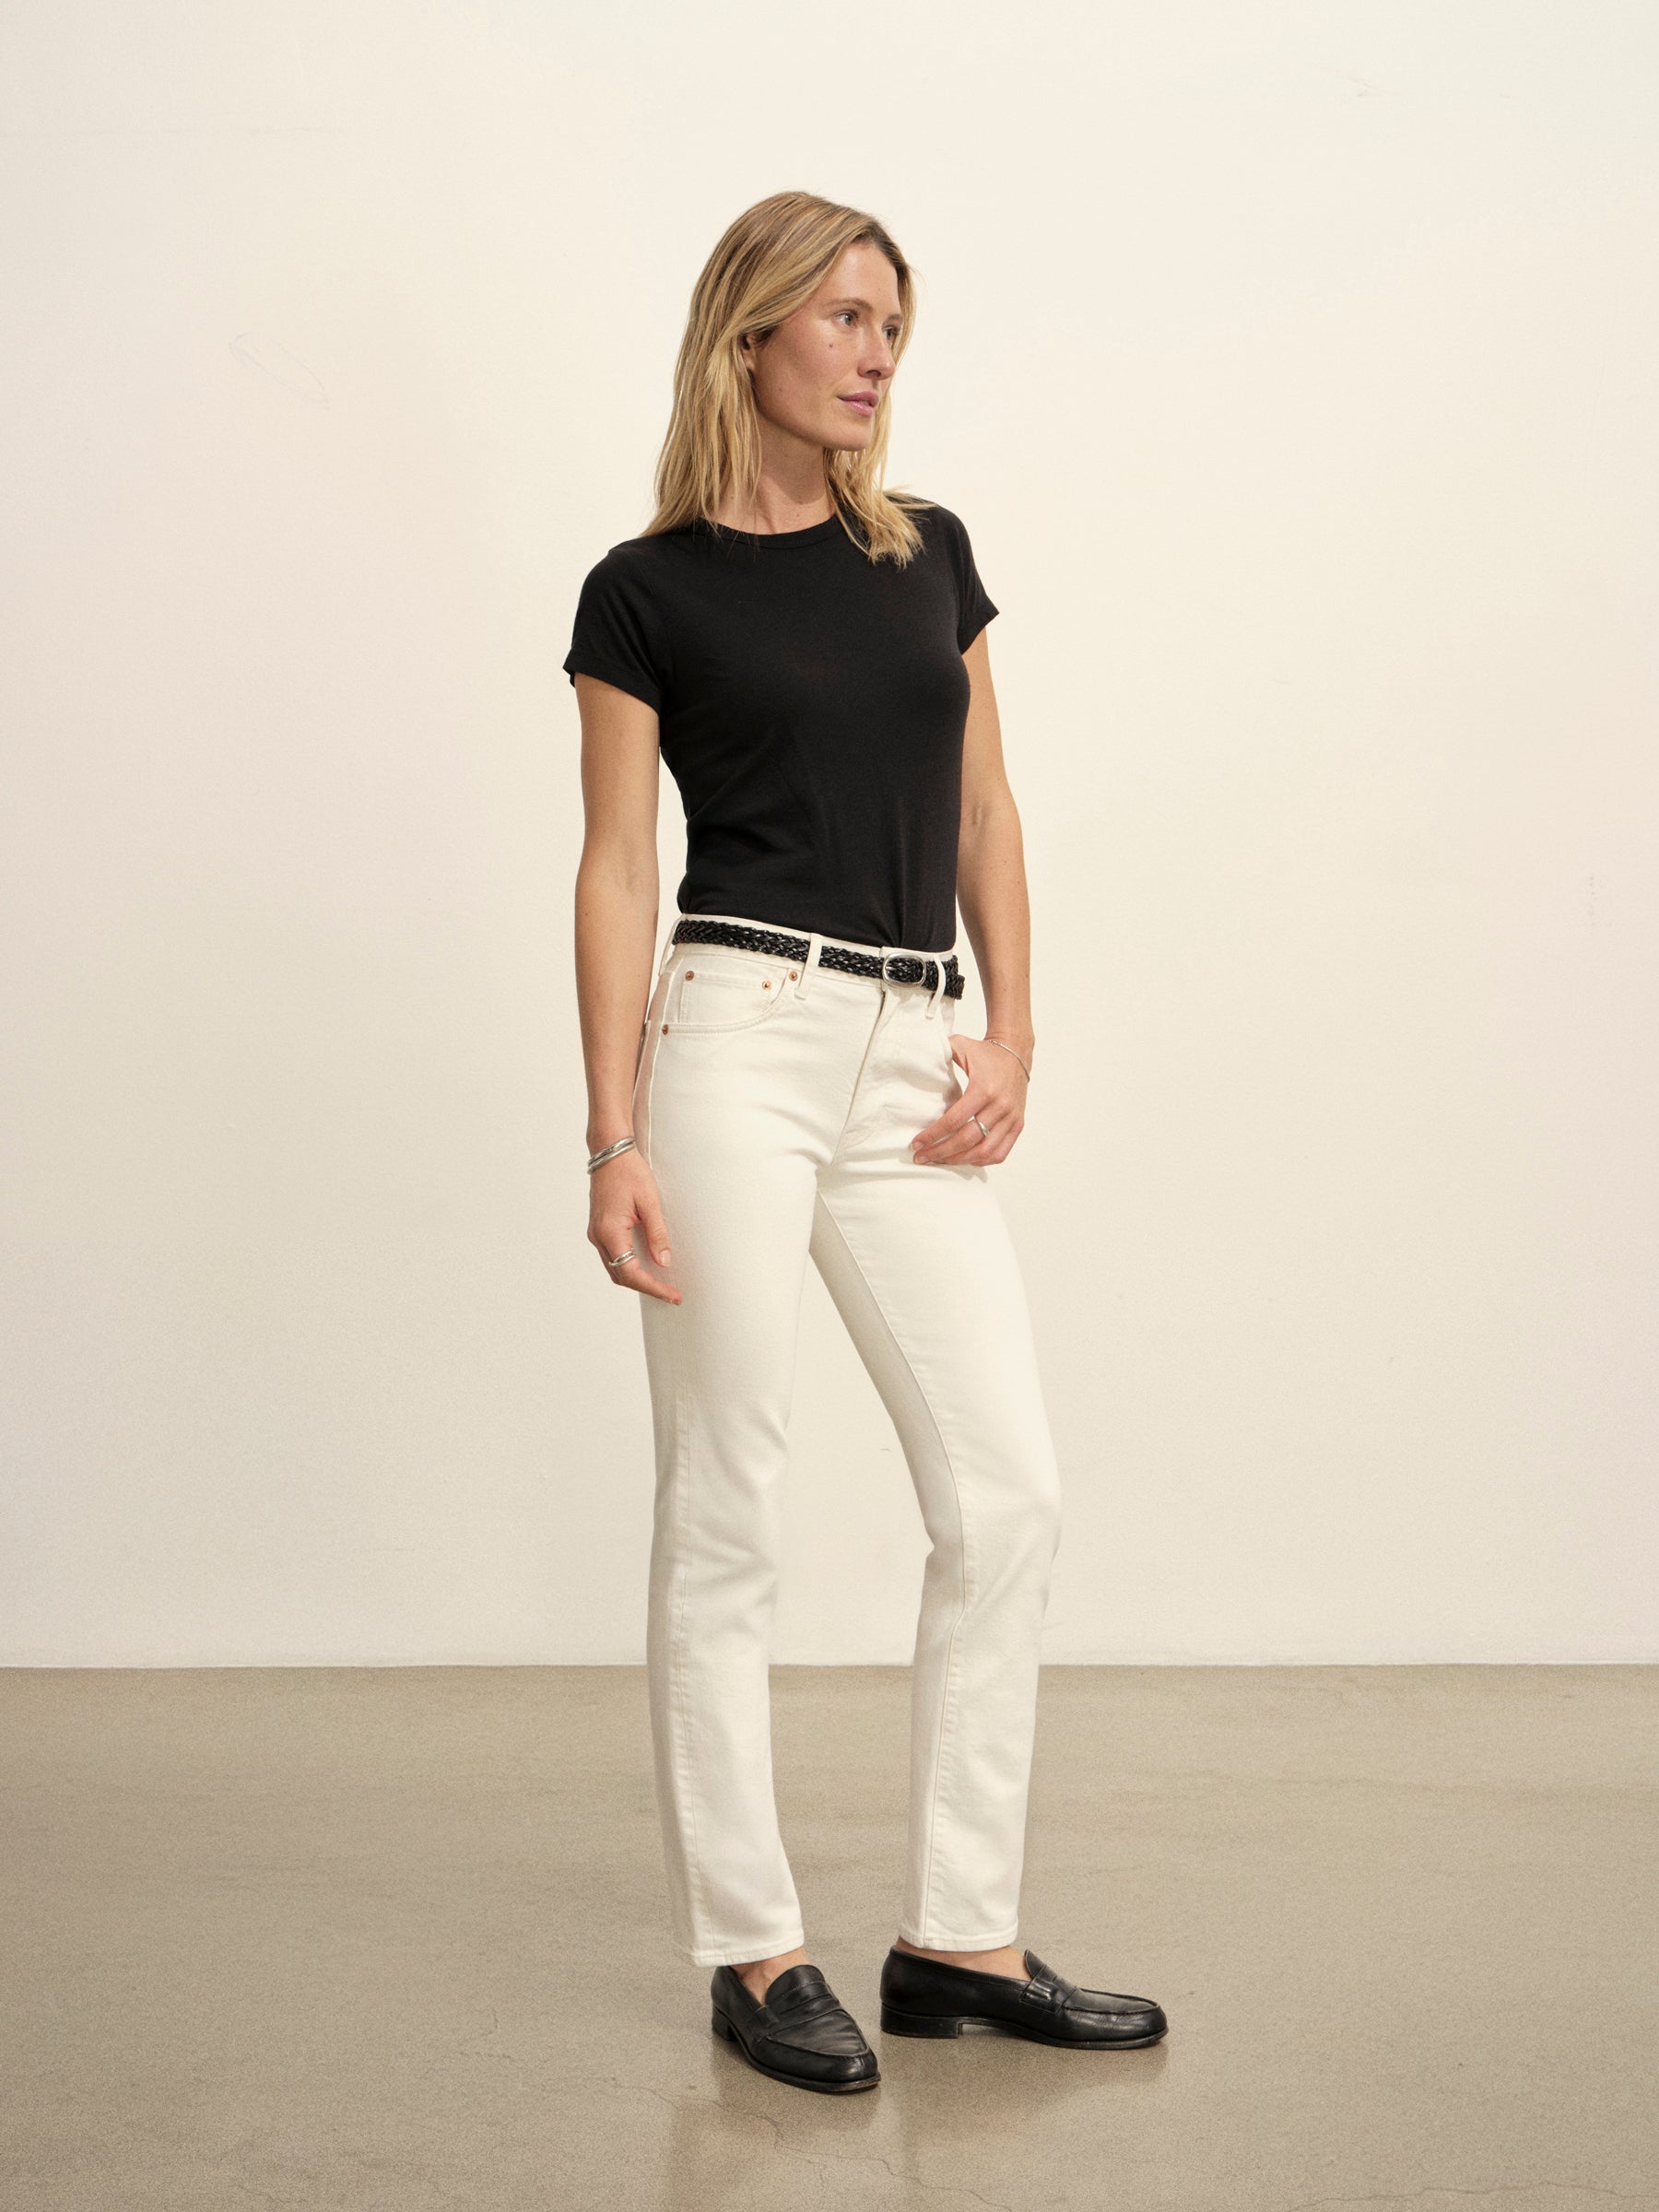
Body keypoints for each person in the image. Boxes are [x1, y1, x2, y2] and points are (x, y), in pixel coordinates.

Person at [565, 190, 1167, 2094]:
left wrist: (1014, 1032)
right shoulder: (643, 591)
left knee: (1008, 1493)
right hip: (732, 1039)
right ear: (748, 335)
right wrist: (611, 1133)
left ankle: (959, 1939)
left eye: (894, 321)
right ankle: (754, 1950)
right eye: (842, 315)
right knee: (728, 1499)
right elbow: (615, 864)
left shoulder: (931, 556)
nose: (878, 351)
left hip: (914, 1049)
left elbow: (987, 806)